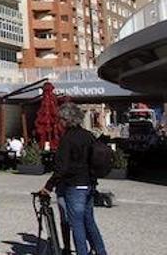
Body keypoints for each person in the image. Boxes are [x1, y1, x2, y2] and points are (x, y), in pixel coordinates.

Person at [39, 103, 109, 255]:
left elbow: (61, 169)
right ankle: (101, 252)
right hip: (89, 184)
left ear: (65, 120)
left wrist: (48, 186)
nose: (58, 123)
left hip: (74, 186)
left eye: (60, 120)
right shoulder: (88, 135)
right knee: (89, 221)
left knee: (76, 225)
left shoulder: (67, 139)